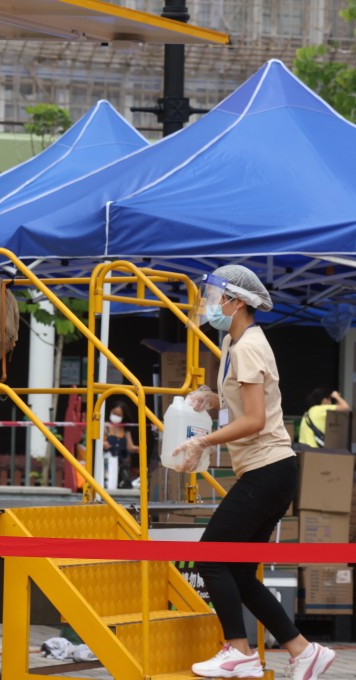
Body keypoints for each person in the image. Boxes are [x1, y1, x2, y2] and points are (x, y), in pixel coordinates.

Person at [175, 265, 334, 679]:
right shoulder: (235, 340)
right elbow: (247, 405)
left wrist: (200, 442)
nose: (210, 304)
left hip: (267, 469)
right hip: (271, 470)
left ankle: (239, 652)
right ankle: (304, 651)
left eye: (215, 297)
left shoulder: (246, 347)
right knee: (240, 571)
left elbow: (255, 420)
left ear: (238, 302)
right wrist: (213, 399)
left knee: (210, 557)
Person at [103, 401, 139, 489]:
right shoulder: (104, 426)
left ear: (123, 416)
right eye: (114, 413)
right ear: (110, 412)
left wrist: (137, 449)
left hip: (121, 463)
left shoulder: (125, 429)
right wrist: (103, 444)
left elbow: (130, 447)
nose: (116, 416)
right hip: (106, 461)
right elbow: (99, 442)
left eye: (119, 415)